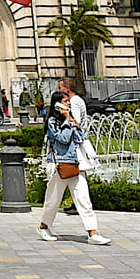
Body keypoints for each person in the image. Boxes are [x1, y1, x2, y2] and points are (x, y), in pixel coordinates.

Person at [39, 92, 112, 245]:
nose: (69, 104)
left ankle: (92, 233)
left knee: (84, 199)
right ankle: (43, 227)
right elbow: (63, 139)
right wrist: (67, 121)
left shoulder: (71, 119)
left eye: (68, 101)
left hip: (76, 164)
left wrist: (73, 123)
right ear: (57, 104)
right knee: (53, 200)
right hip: (60, 165)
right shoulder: (53, 122)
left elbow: (80, 138)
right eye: (65, 101)